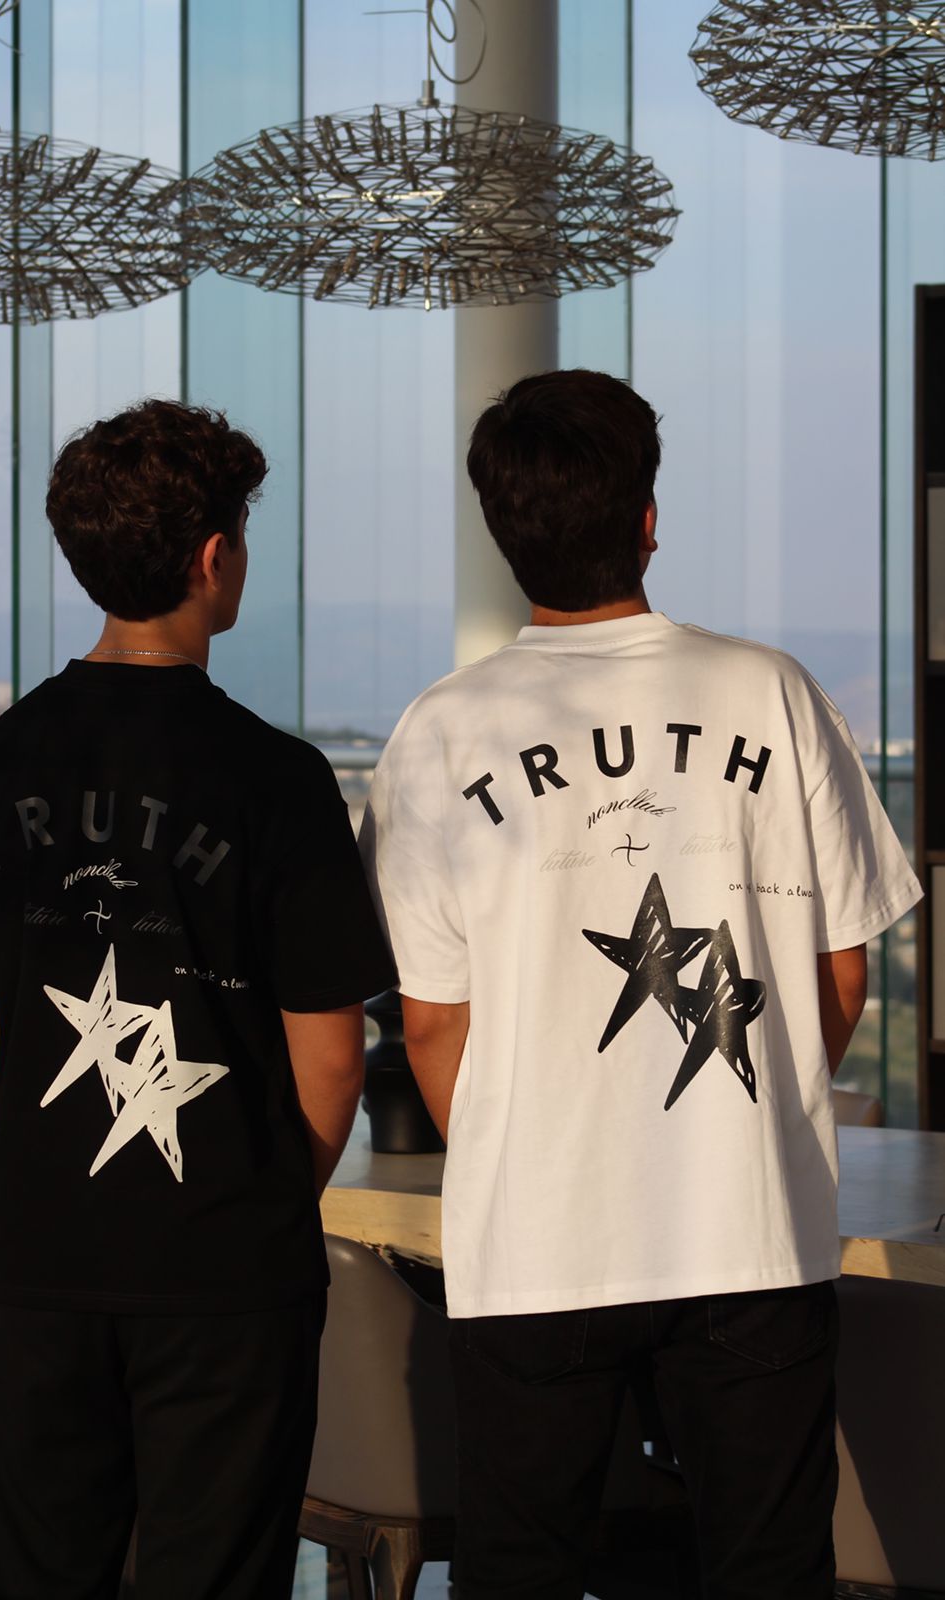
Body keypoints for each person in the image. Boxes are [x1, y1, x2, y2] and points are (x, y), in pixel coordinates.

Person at [359, 369, 922, 1600]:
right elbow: (838, 969)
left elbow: (432, 1023)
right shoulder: (771, 692)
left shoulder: (437, 733)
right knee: (769, 1573)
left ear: (502, 535)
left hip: (534, 1242)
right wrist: (752, 1112)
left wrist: (524, 1145)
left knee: (516, 1576)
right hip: (751, 1231)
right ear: (650, 518)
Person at [0, 398, 396, 1600]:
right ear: (213, 557)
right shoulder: (280, 780)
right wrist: (254, 1190)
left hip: (35, 1259)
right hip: (224, 1271)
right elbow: (331, 1062)